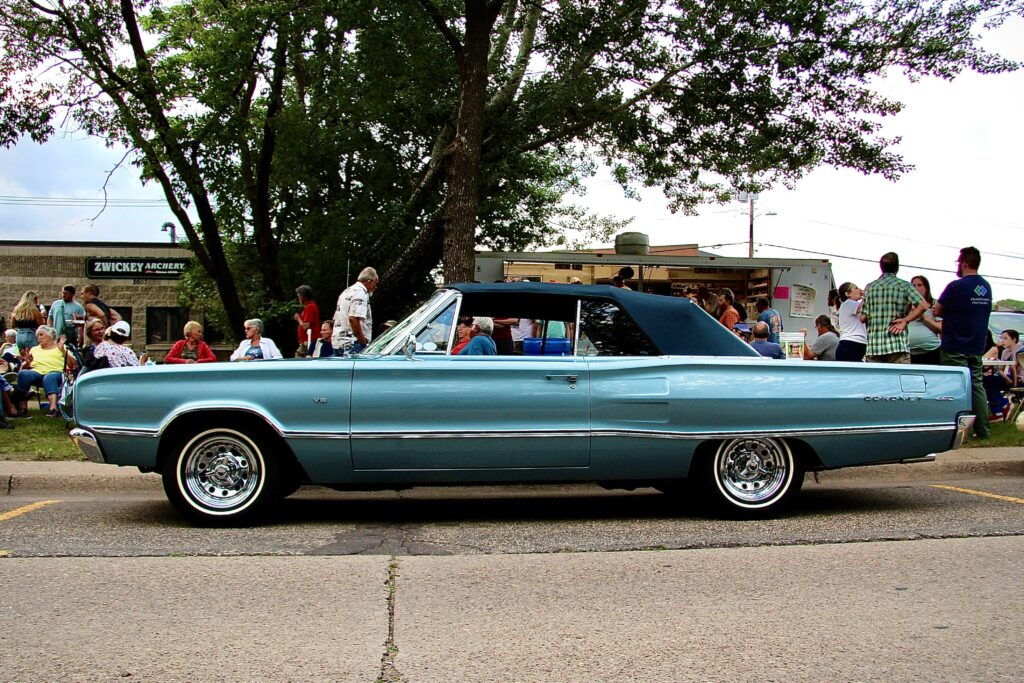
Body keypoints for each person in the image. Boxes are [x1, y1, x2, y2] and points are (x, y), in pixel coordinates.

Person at [934, 246, 992, 439]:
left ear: (964, 263)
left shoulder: (955, 286)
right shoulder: (985, 288)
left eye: (959, 262)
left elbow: (938, 310)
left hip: (954, 345)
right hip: (975, 345)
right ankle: (983, 430)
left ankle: (958, 433)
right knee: (976, 386)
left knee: (955, 387)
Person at [859, 252, 928, 364]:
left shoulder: (870, 287)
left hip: (874, 347)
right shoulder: (904, 285)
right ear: (897, 268)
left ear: (881, 267)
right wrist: (905, 320)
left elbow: (862, 318)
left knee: (878, 381)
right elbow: (924, 305)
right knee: (900, 380)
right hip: (897, 344)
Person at [15, 325, 73, 417]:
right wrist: (27, 362)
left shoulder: (61, 347)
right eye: (37, 336)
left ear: (50, 336)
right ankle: (22, 407)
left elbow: (73, 364)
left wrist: (63, 351)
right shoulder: (34, 349)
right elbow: (22, 369)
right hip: (37, 373)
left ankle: (53, 409)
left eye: (41, 335)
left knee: (49, 377)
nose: (39, 338)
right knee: (24, 374)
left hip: (56, 373)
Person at [332, 267, 378, 354]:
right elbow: (353, 318)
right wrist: (363, 341)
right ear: (369, 281)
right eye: (375, 283)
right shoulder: (361, 293)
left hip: (338, 342)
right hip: (352, 343)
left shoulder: (346, 291)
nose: (375, 287)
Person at [984, 329, 1022, 420]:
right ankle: (1000, 409)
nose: (1002, 341)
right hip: (1009, 378)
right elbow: (1001, 369)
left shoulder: (1020, 351)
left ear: (1014, 339)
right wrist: (1006, 378)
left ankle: (1000, 409)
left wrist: (1008, 379)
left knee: (990, 382)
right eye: (1001, 339)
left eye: (1005, 338)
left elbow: (1014, 368)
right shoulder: (1005, 352)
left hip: (1019, 379)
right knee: (987, 380)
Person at [908, 275, 942, 364]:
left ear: (926, 288)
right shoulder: (906, 305)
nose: (916, 288)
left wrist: (923, 316)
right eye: (913, 286)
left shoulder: (934, 304)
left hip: (931, 351)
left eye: (920, 285)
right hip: (909, 352)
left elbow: (941, 328)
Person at [835, 282, 868, 362]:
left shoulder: (847, 305)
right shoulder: (849, 303)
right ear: (848, 294)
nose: (860, 289)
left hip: (852, 344)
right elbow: (863, 307)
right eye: (856, 288)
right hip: (851, 344)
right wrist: (867, 295)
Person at [293, 285, 320, 357]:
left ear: (303, 297)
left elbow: (306, 326)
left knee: (298, 358)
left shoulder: (310, 307)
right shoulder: (310, 306)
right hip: (307, 341)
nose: (298, 298)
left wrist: (298, 318)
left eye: (299, 296)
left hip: (308, 341)